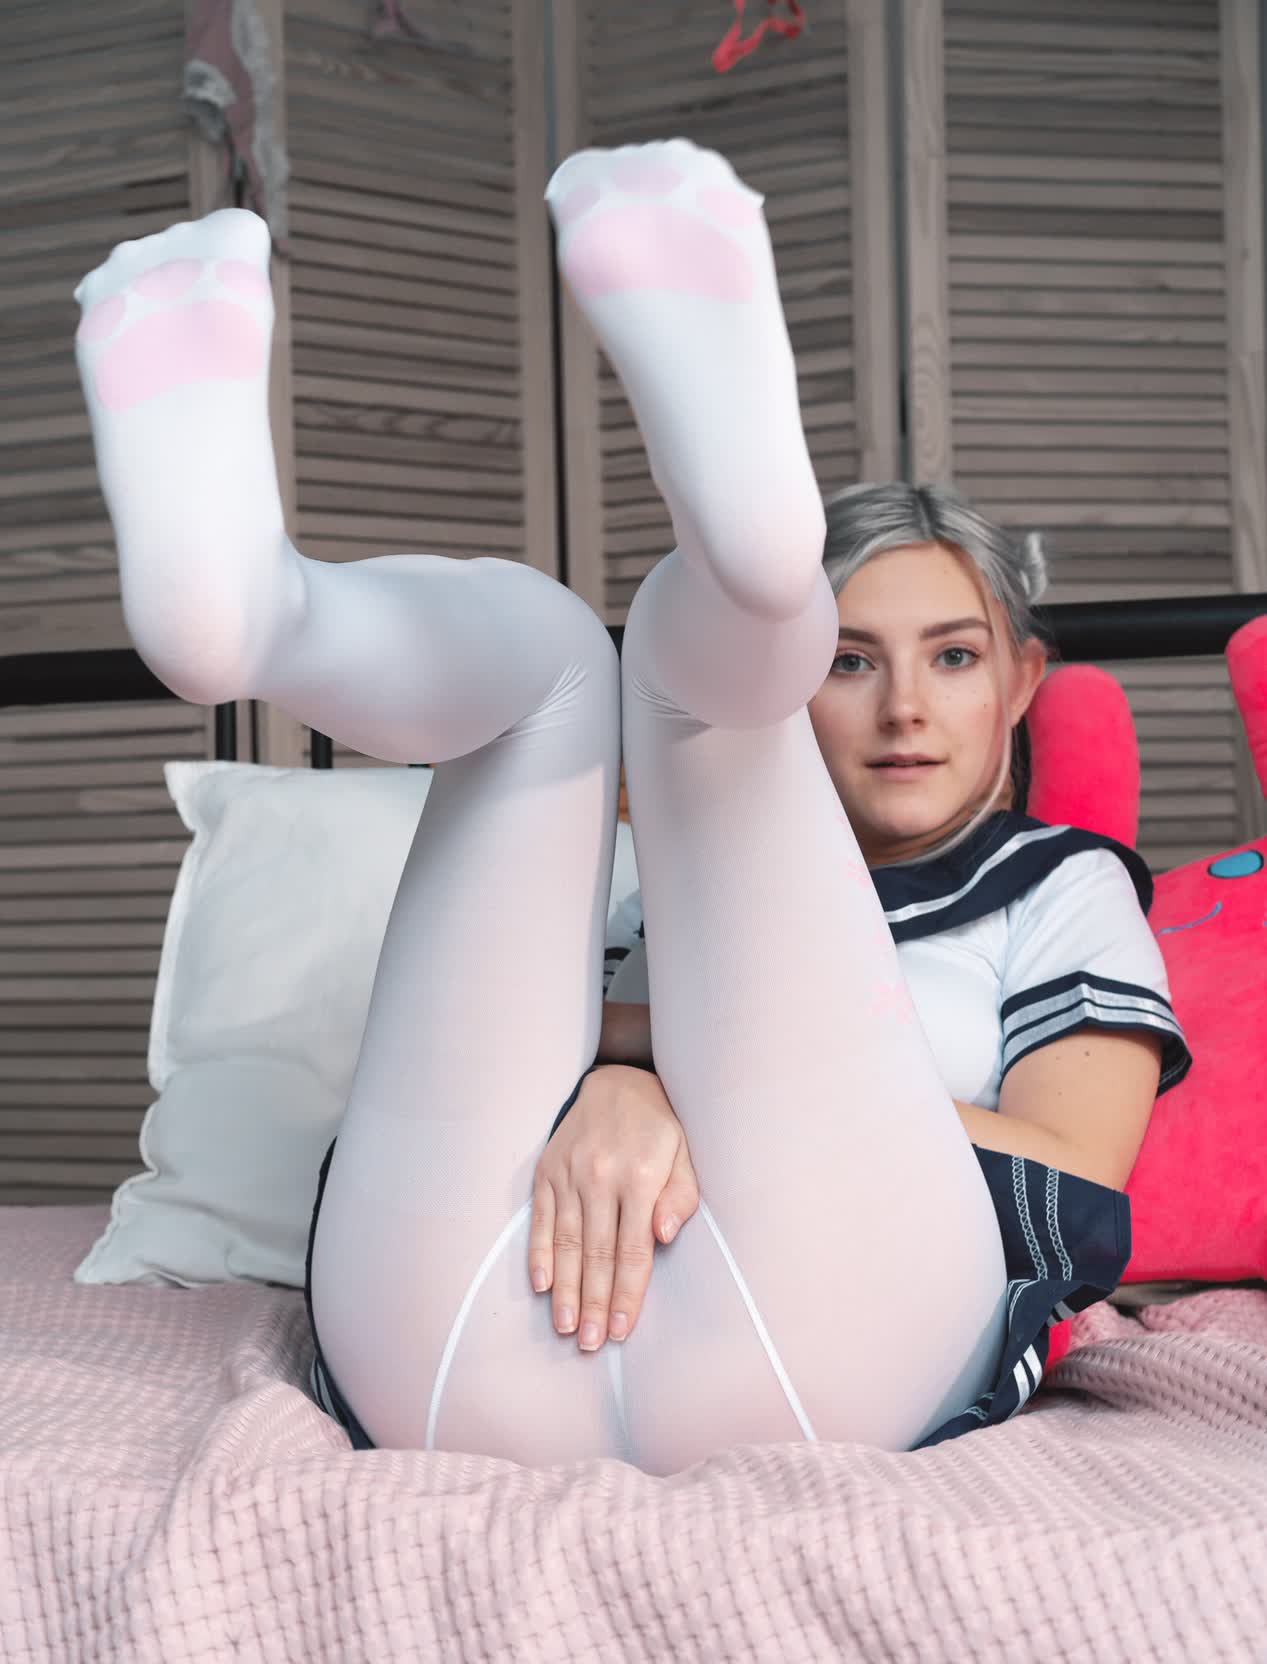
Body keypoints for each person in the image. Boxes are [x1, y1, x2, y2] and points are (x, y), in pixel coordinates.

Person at [72, 139, 1191, 1474]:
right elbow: (489, 1067)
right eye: (847, 659)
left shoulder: (1064, 882)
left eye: (951, 657)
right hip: (472, 1337)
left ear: (1021, 682)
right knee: (555, 655)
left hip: (835, 1340)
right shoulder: (655, 890)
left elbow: (1076, 1163)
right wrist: (616, 1082)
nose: (905, 706)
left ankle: (733, 581)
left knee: (668, 671)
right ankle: (258, 615)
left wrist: (674, 1093)